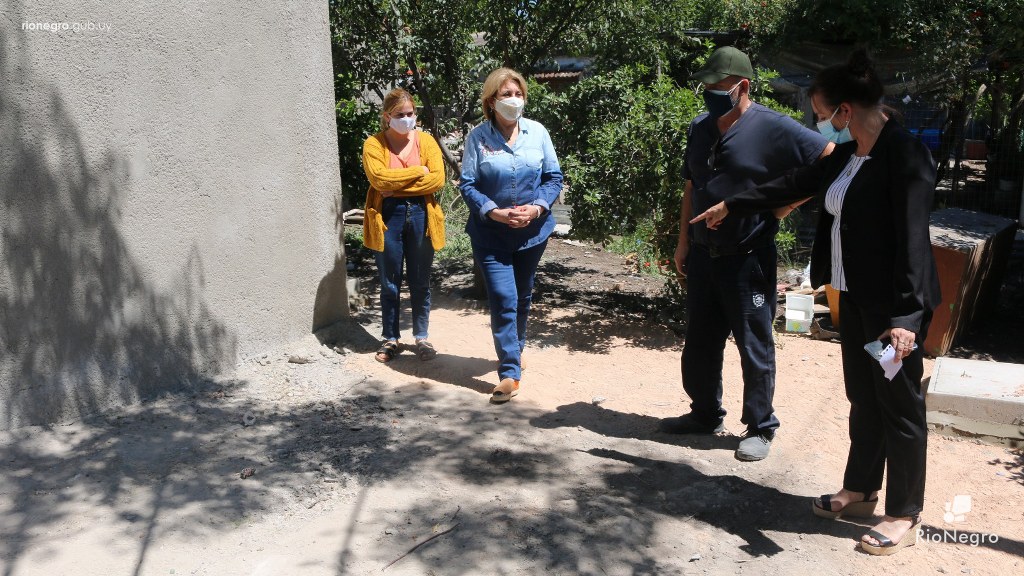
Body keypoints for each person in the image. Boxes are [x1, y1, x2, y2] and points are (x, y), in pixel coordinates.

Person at [691, 49, 941, 555]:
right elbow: (793, 183)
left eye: (823, 114)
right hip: (853, 298)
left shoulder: (905, 155)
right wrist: (732, 204)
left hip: (894, 311)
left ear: (846, 110)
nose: (820, 123)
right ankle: (861, 489)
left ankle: (903, 513)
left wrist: (907, 318)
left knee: (900, 408)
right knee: (863, 397)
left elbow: (914, 240)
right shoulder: (849, 157)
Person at [660, 46, 834, 461]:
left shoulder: (774, 128)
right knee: (700, 342)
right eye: (706, 85)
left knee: (754, 345)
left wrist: (784, 205)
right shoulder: (700, 127)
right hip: (704, 255)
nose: (710, 92)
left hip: (748, 257)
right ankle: (705, 414)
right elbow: (691, 186)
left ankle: (760, 426)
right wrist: (683, 241)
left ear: (743, 86)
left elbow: (829, 160)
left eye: (718, 86)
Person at [459, 67, 563, 403]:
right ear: (492, 101)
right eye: (506, 94)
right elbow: (468, 184)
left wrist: (537, 208)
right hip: (490, 234)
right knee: (504, 298)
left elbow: (553, 177)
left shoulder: (538, 132)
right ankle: (509, 373)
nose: (514, 100)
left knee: (522, 295)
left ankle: (514, 352)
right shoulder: (478, 138)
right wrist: (494, 211)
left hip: (531, 233)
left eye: (518, 94)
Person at [362, 88, 446, 363]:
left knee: (420, 280)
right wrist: (418, 171)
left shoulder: (426, 141)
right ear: (387, 116)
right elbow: (379, 179)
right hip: (388, 216)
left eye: (411, 113)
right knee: (390, 281)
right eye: (400, 115)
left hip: (422, 213)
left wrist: (397, 186)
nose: (407, 119)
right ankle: (390, 338)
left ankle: (422, 337)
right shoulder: (374, 144)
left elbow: (438, 179)